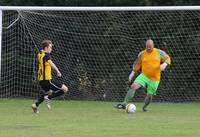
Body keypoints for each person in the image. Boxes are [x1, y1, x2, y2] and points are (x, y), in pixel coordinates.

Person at [116, 39, 171, 112]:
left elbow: (168, 58)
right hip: (144, 76)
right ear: (145, 46)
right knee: (133, 86)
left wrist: (165, 64)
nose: (148, 48)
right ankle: (124, 103)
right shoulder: (142, 54)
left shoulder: (159, 52)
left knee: (149, 96)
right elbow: (137, 64)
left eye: (150, 47)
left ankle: (144, 107)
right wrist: (132, 73)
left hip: (155, 78)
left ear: (153, 46)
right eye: (147, 47)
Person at [32, 39, 68, 113]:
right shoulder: (46, 55)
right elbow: (51, 63)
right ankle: (48, 98)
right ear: (46, 48)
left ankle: (35, 105)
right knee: (65, 89)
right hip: (47, 80)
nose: (51, 49)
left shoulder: (40, 54)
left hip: (41, 80)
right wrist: (58, 71)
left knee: (49, 92)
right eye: (50, 47)